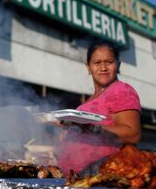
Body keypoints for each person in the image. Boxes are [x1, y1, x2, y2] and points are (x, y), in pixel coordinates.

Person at [57, 40, 141, 174]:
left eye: (109, 62)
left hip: (100, 177)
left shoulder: (121, 91)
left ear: (118, 65)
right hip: (73, 178)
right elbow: (80, 134)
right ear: (88, 67)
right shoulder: (85, 103)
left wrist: (91, 127)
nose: (103, 68)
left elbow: (133, 134)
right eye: (96, 63)